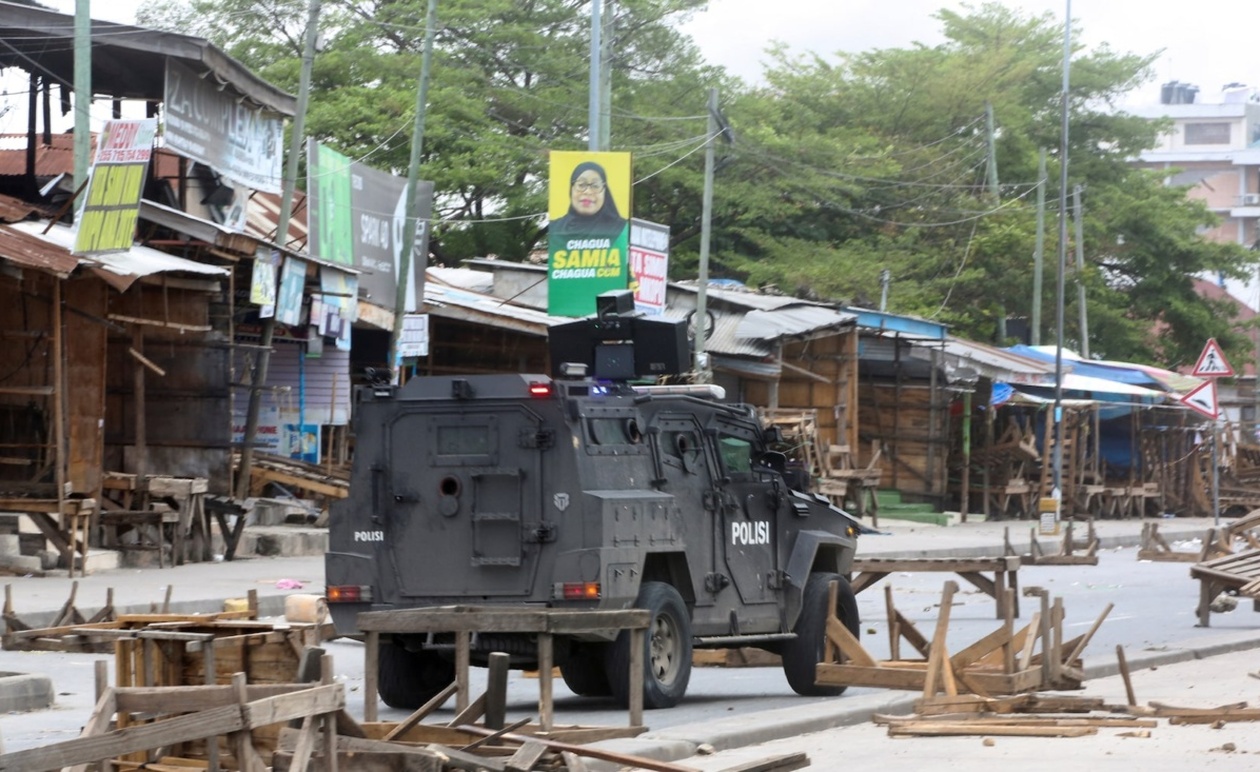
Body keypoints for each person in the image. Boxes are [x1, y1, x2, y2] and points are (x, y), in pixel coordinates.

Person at [549, 161, 628, 241]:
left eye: (595, 186)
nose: (588, 192)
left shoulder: (622, 228)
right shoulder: (554, 227)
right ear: (571, 189)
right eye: (581, 185)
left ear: (605, 191)